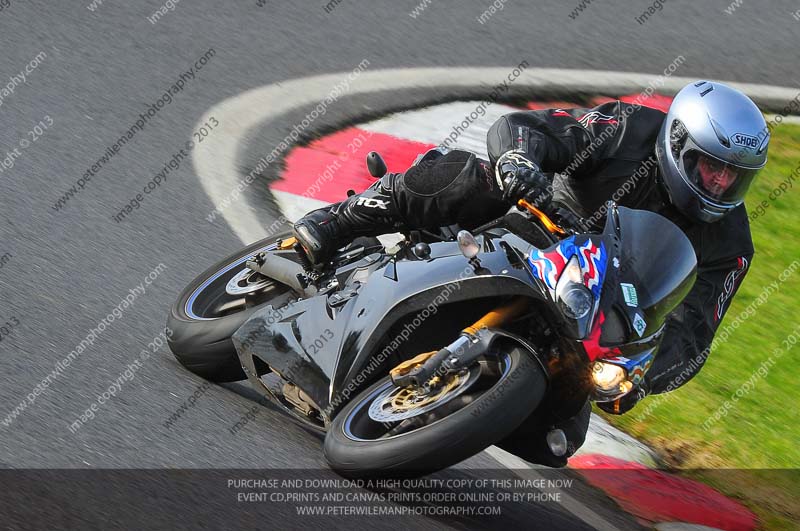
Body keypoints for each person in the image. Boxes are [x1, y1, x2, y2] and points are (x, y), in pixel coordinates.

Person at [291, 80, 768, 465]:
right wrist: (518, 159)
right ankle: (339, 222)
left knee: (557, 437)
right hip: (535, 227)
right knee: (471, 180)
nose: (721, 184)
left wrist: (642, 375)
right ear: (678, 142)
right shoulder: (628, 128)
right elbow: (532, 128)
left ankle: (452, 402)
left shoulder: (731, 246)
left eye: (736, 176)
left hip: (592, 314)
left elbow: (693, 336)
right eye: (712, 167)